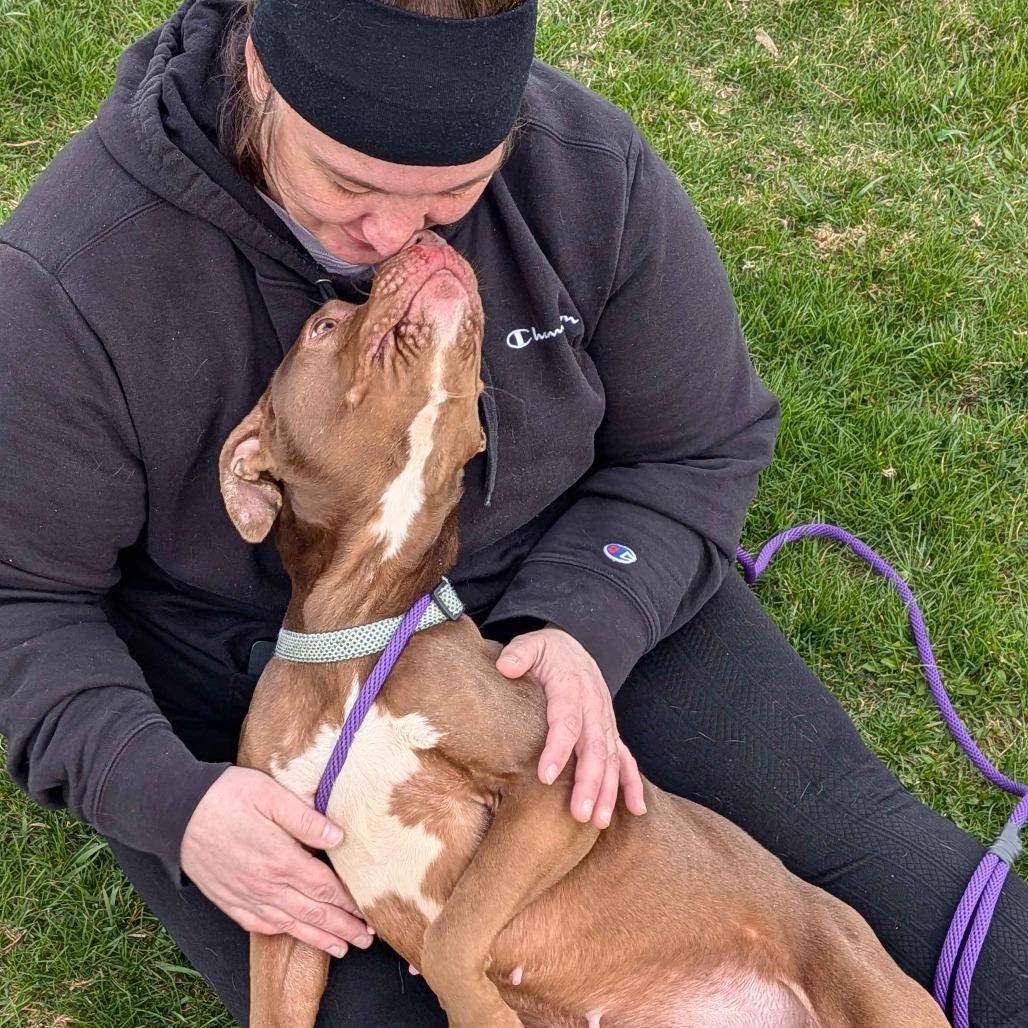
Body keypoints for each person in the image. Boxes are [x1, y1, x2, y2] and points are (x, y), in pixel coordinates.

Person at [0, 0, 1024, 1024]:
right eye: (348, 185)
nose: (394, 237)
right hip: (250, 671)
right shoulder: (73, 276)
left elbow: (694, 443)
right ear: (260, 78)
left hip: (565, 580)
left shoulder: (588, 172)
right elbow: (20, 598)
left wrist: (585, 619)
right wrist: (168, 801)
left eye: (454, 194)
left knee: (871, 861)